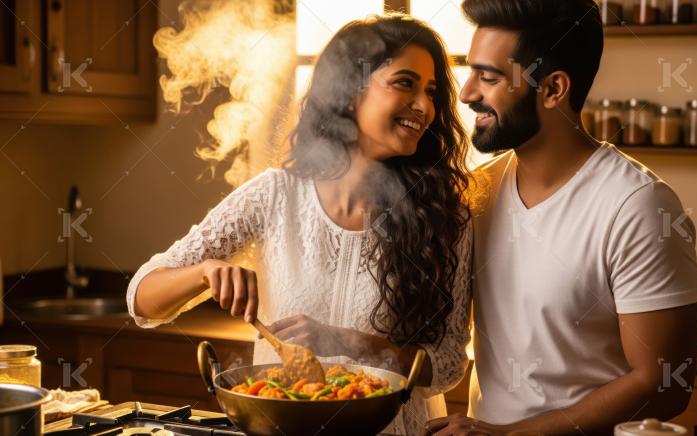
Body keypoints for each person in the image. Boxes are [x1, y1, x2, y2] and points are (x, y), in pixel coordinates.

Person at [126, 15, 473, 435]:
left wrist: (352, 345)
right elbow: (142, 299)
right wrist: (204, 272)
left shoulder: (444, 216)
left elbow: (450, 362)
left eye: (431, 91)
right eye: (405, 83)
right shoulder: (274, 196)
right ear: (349, 91)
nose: (425, 106)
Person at [426, 1, 697, 434]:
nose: (467, 93)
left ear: (553, 89)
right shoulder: (478, 192)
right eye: (470, 72)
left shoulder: (640, 206)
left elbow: (665, 386)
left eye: (490, 77)